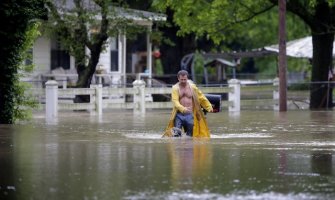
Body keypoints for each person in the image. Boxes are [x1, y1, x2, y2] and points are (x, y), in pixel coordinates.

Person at [163, 70, 213, 138]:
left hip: (190, 114)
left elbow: (201, 97)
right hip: (178, 115)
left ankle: (188, 147)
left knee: (190, 136)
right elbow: (175, 101)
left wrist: (209, 107)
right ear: (178, 78)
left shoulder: (193, 87)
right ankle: (178, 147)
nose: (183, 81)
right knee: (176, 134)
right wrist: (183, 109)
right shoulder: (175, 88)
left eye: (185, 79)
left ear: (187, 78)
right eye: (181, 79)